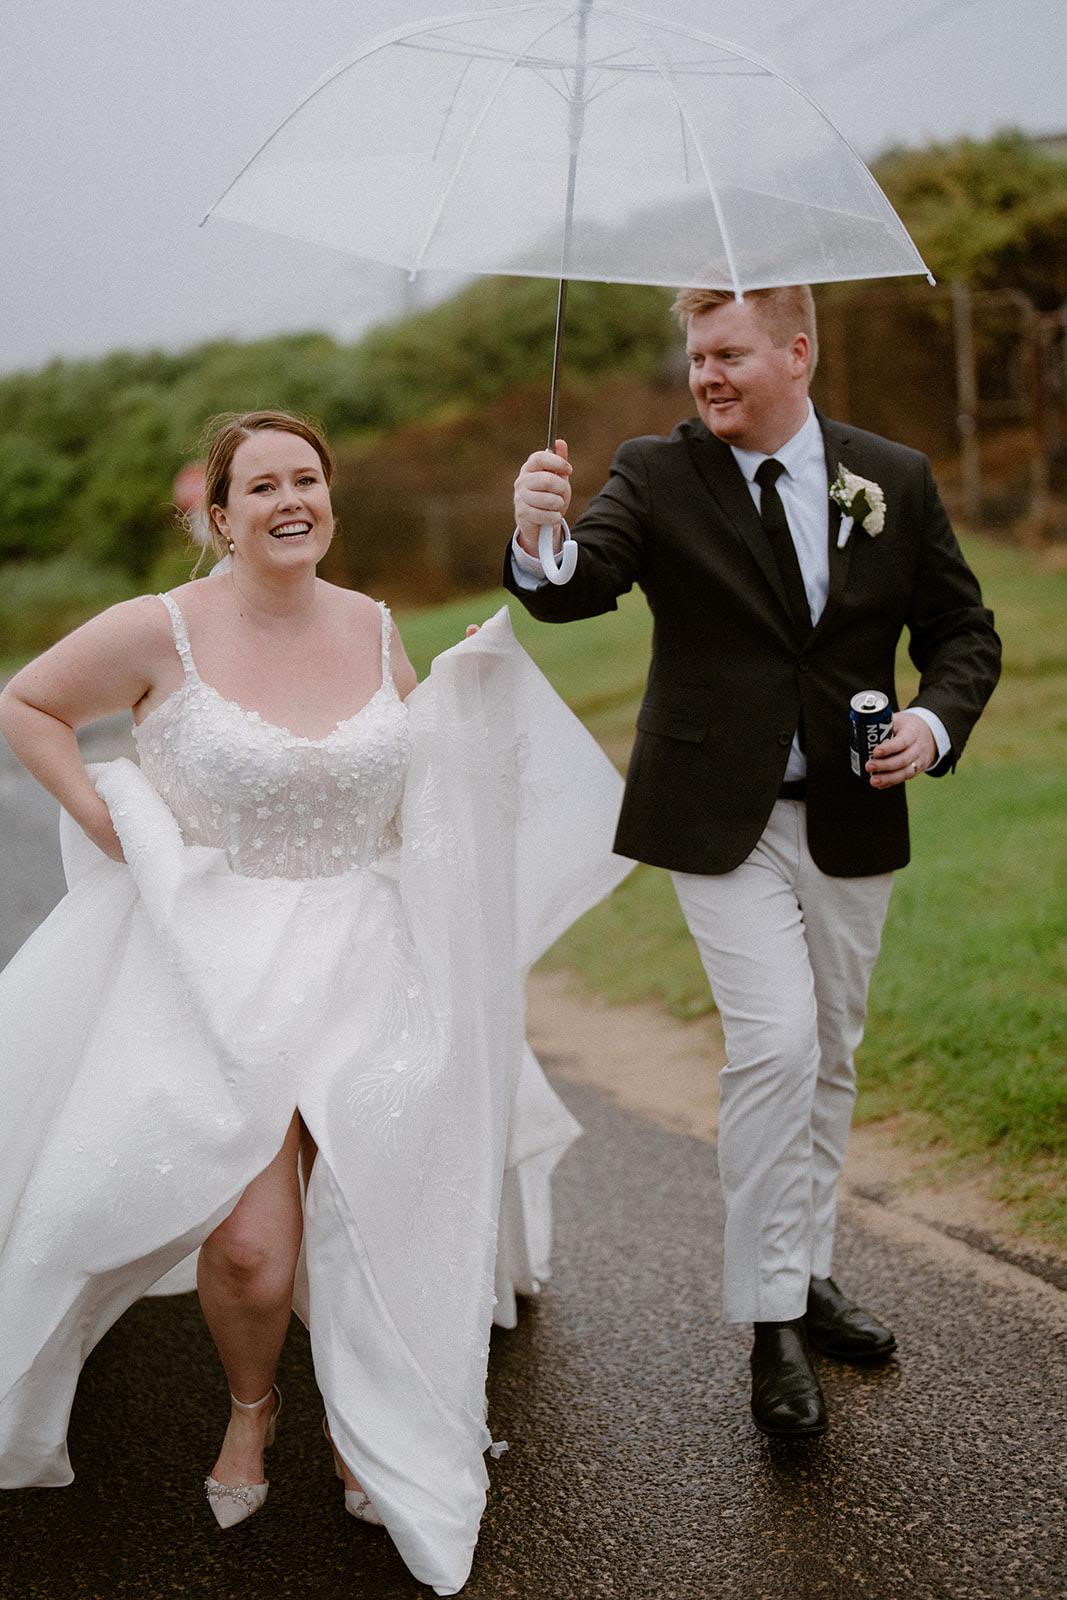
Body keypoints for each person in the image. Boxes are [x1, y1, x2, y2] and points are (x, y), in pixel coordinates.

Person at [0, 410, 630, 1594]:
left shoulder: (374, 624)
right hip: (213, 965)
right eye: (263, 484)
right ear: (221, 515)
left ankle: (369, 1412)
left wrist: (475, 693)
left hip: (365, 959)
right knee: (248, 1255)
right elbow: (27, 703)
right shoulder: (158, 629)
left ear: (328, 501)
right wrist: (109, 822)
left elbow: (421, 779)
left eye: (309, 480)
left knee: (373, 1204)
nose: (290, 499)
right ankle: (254, 1403)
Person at [505, 286, 1001, 1438]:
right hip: (712, 815)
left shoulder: (893, 475)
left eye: (727, 353)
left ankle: (808, 1268)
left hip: (851, 812)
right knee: (772, 1043)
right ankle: (770, 1320)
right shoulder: (655, 468)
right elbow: (580, 587)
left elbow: (962, 633)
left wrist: (929, 729)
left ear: (796, 350)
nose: (705, 376)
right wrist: (540, 530)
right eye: (694, 356)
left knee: (829, 1051)